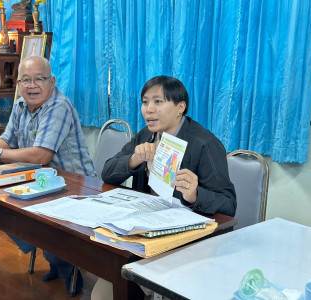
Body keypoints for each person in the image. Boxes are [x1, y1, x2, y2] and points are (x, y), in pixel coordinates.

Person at [0, 55, 96, 296]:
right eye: (26, 80)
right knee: (1, 206)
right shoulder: (21, 105)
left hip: (75, 187)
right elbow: (7, 139)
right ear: (18, 84)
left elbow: (40, 155)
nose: (32, 85)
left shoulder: (59, 106)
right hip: (41, 182)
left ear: (52, 82)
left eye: (39, 79)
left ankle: (65, 264)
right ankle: (56, 257)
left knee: (43, 226)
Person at [92, 75, 236, 299]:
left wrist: (195, 194)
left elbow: (228, 205)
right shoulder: (146, 136)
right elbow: (107, 173)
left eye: (158, 102)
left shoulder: (204, 144)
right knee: (103, 294)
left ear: (180, 107)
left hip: (187, 243)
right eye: (145, 102)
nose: (149, 109)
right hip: (143, 234)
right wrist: (133, 160)